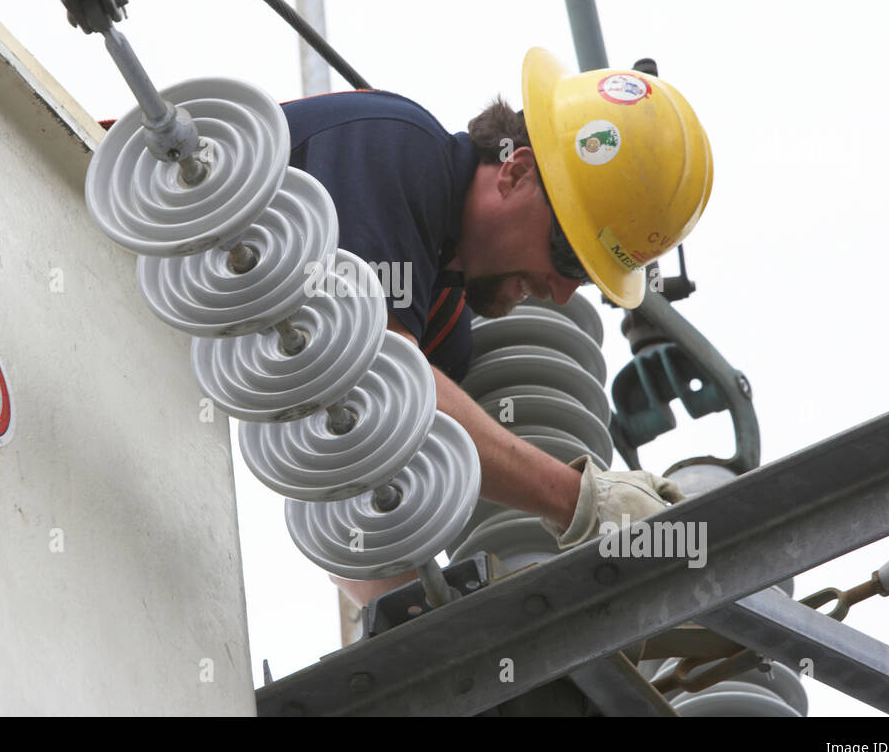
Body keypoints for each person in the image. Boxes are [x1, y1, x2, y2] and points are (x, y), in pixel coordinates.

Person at [282, 47, 713, 607]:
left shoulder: (443, 327)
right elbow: (373, 368)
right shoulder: (397, 145)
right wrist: (583, 500)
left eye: (586, 279)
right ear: (517, 171)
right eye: (568, 258)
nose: (560, 292)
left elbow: (349, 485)